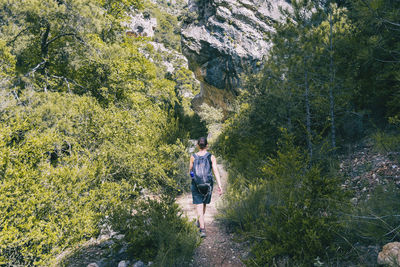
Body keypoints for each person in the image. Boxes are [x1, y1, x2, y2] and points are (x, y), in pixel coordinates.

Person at [189, 137, 223, 238]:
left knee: (199, 204)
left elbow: (190, 171)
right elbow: (216, 171)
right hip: (208, 185)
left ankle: (202, 228)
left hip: (196, 184)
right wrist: (220, 185)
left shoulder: (193, 156)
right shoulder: (211, 157)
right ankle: (201, 223)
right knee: (203, 203)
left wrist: (194, 178)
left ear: (197, 145)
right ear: (207, 145)